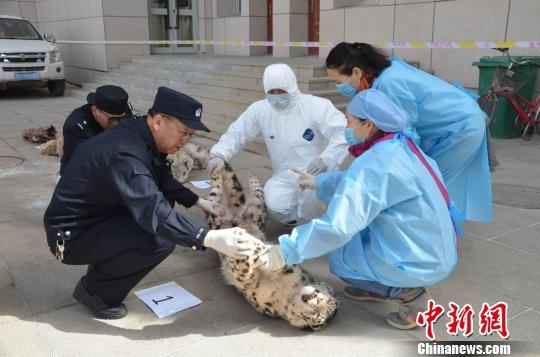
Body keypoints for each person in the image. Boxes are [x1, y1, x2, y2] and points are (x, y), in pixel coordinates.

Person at [43, 87, 259, 320]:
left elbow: (160, 175)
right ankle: (96, 292)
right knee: (159, 238)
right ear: (158, 122)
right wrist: (207, 238)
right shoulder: (126, 153)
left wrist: (198, 201)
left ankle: (103, 269)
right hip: (68, 237)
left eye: (190, 135)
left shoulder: (138, 131)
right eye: (183, 133)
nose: (185, 141)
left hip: (95, 218)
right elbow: (153, 210)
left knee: (163, 209)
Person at [259, 89, 461, 330]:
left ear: (369, 125)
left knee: (343, 256)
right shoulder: (400, 146)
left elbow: (339, 225)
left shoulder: (377, 161)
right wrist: (320, 182)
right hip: (433, 247)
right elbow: (362, 184)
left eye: (350, 121)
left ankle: (412, 296)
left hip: (420, 258)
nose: (346, 127)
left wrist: (285, 250)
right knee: (355, 239)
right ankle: (378, 288)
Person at [325, 42, 492, 223]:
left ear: (357, 72)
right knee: (427, 183)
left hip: (461, 126)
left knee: (429, 185)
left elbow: (405, 135)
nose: (338, 87)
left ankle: (433, 234)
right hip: (451, 122)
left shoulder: (389, 84)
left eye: (338, 81)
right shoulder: (380, 73)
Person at [207, 63, 348, 226]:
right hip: (284, 174)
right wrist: (220, 154)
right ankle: (303, 221)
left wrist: (326, 159)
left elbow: (342, 133)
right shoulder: (260, 110)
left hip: (316, 171)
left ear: (292, 87)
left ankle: (318, 223)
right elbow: (238, 132)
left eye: (281, 91)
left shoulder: (317, 106)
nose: (276, 96)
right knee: (275, 206)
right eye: (271, 92)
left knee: (312, 197)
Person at [60, 85, 133, 175]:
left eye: (120, 118)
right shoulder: (76, 126)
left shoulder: (124, 113)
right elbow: (80, 164)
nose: (116, 124)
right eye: (112, 120)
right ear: (94, 110)